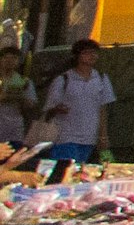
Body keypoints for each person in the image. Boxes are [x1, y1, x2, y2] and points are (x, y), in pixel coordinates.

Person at [33, 38, 115, 174]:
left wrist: (103, 135)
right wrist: (57, 109)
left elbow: (103, 108)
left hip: (89, 137)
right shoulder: (63, 79)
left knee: (79, 174)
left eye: (94, 53)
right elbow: (48, 108)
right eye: (87, 53)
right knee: (63, 173)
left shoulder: (101, 78)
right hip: (64, 136)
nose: (92, 56)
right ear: (77, 56)